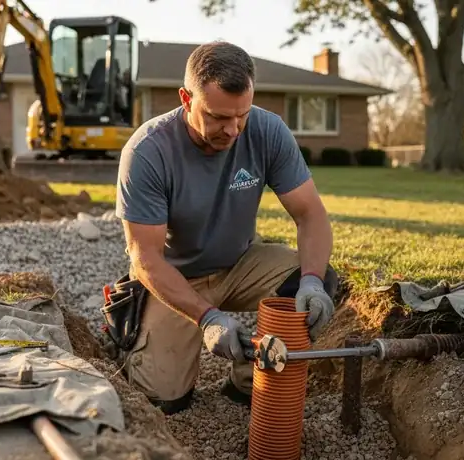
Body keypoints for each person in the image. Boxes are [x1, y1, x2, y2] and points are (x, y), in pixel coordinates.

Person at [111, 40, 338, 415]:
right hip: (177, 277)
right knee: (164, 401)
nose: (232, 130)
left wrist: (312, 281)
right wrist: (207, 317)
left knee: (316, 278)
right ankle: (132, 335)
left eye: (241, 115)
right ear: (186, 99)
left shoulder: (267, 131)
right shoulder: (148, 152)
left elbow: (310, 215)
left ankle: (249, 380)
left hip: (241, 262)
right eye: (217, 117)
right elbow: (146, 257)